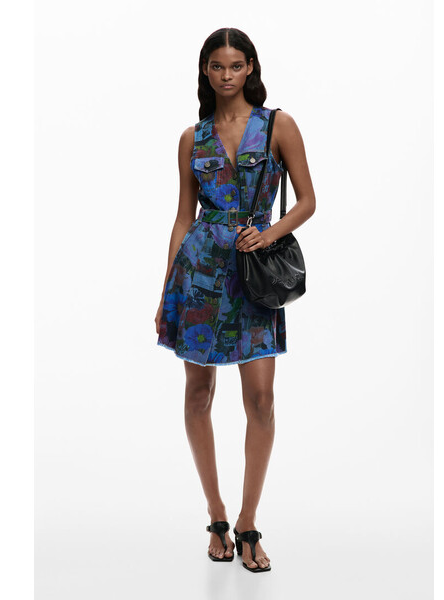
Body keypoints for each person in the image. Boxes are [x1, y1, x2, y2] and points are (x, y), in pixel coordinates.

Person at [154, 27, 316, 572]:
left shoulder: (277, 125)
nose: (227, 75)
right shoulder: (192, 138)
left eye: (236, 65)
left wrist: (267, 235)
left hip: (253, 276)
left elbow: (308, 201)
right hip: (199, 275)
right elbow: (184, 218)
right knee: (198, 394)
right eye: (217, 66)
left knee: (261, 400)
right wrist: (167, 290)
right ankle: (217, 515)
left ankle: (249, 522)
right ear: (206, 71)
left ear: (251, 68)